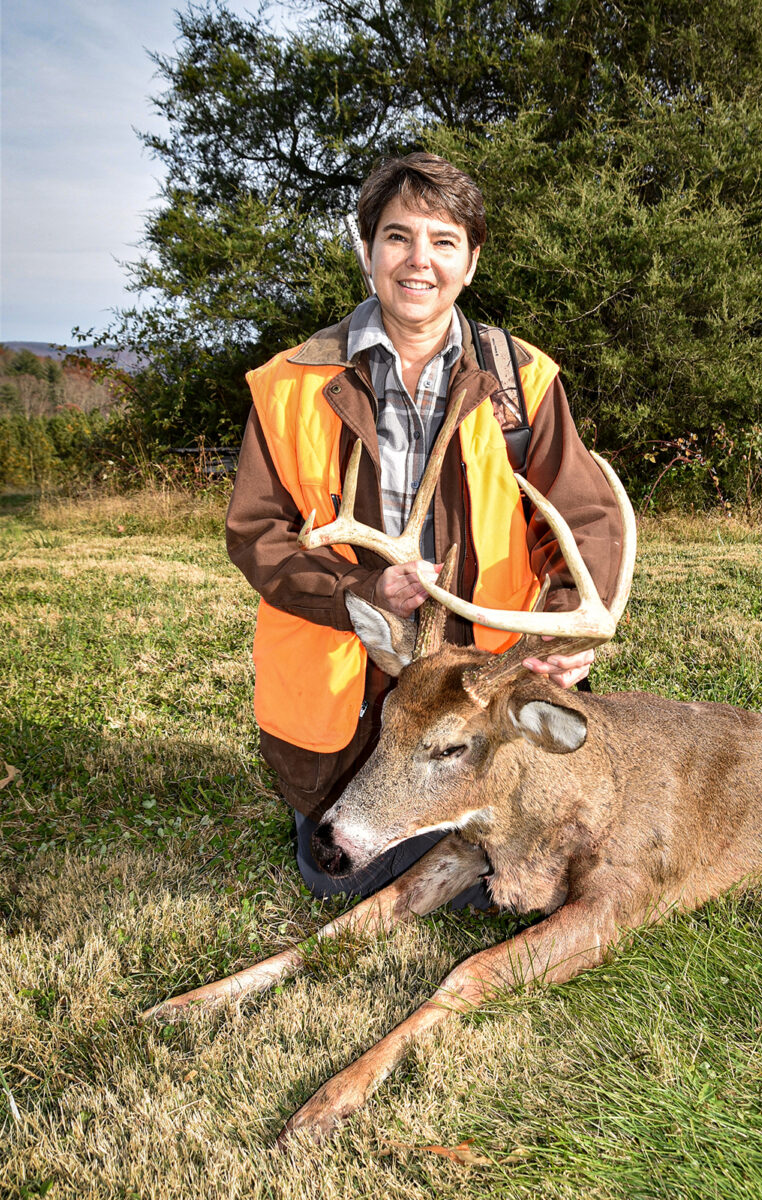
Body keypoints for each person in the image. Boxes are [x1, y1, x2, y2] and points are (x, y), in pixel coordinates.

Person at [225, 152, 622, 903]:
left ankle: (475, 821)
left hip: (481, 685)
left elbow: (584, 517)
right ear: (368, 249)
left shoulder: (523, 380)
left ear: (471, 261)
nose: (420, 261)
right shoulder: (290, 384)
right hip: (358, 675)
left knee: (540, 862)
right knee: (338, 874)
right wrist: (361, 587)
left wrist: (565, 631)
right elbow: (257, 535)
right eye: (398, 237)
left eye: (444, 241)